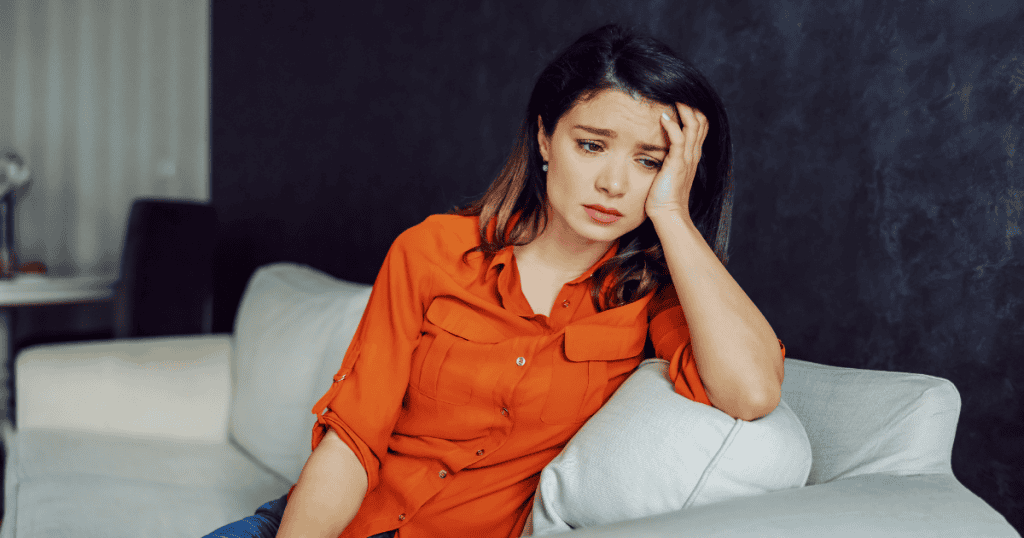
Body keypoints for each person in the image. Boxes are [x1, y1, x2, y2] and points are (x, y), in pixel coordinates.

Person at [203, 22, 785, 538]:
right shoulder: (431, 249)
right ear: (543, 140)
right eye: (591, 145)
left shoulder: (652, 297)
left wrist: (672, 216)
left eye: (649, 161)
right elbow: (352, 441)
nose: (613, 182)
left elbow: (752, 392)